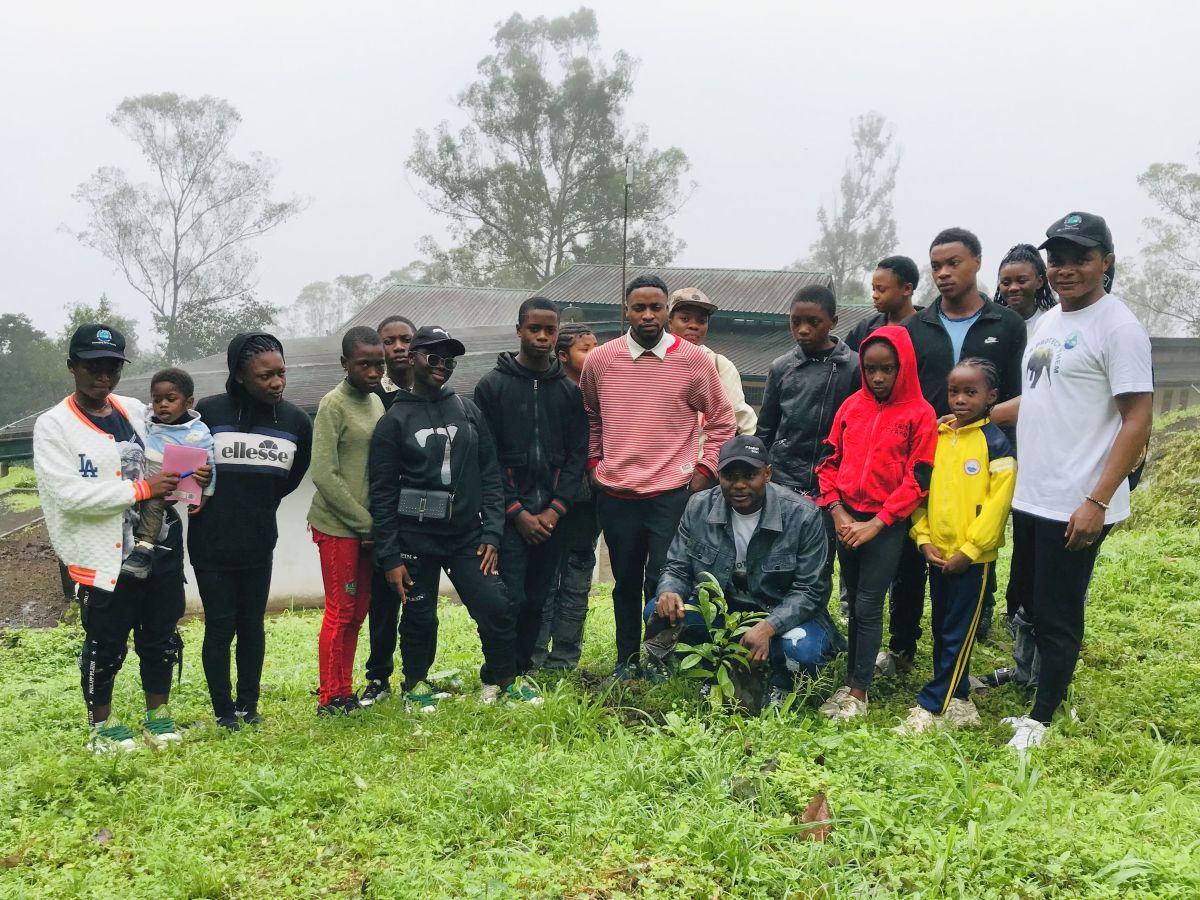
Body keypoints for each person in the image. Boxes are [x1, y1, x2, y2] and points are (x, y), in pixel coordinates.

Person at [989, 212, 1153, 749]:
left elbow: (1136, 419)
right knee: (1026, 599)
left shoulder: (1118, 328)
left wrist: (1097, 500)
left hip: (1077, 498)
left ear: (1106, 261)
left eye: (1080, 257)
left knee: (1058, 608)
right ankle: (1031, 678)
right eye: (1057, 258)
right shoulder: (1051, 323)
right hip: (1033, 492)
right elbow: (1041, 398)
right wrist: (981, 415)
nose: (1066, 269)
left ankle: (1043, 716)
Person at [33, 324, 210, 752]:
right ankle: (103, 727)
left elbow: (172, 448)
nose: (103, 375)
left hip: (161, 544)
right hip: (104, 556)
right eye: (92, 365)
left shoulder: (133, 409)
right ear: (73, 366)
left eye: (111, 366)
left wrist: (194, 476)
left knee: (160, 634)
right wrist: (142, 490)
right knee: (106, 641)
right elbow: (69, 496)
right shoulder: (54, 426)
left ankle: (158, 718)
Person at [368, 325, 541, 708]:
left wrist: (492, 534)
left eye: (449, 360)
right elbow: (381, 494)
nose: (442, 366)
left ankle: (505, 680)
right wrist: (391, 557)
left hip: (467, 536)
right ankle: (415, 685)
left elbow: (491, 474)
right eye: (433, 357)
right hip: (415, 537)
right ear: (412, 358)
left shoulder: (466, 409)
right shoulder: (393, 421)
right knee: (419, 616)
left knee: (496, 606)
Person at [881, 229, 1027, 673]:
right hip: (924, 455)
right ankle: (902, 646)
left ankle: (965, 641)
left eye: (954, 263)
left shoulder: (1007, 325)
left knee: (972, 541)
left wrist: (976, 425)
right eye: (937, 266)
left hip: (980, 455)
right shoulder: (913, 328)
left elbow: (1021, 394)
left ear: (978, 262)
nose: (943, 274)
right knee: (912, 551)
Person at [580, 275, 736, 681]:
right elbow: (591, 417)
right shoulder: (601, 360)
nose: (648, 315)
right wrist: (595, 464)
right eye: (639, 307)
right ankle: (626, 660)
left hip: (672, 493)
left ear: (667, 310)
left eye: (656, 307)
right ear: (625, 311)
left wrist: (704, 472)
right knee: (625, 582)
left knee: (663, 581)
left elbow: (721, 422)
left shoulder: (694, 360)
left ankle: (659, 660)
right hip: (616, 494)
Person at [646, 435, 843, 709]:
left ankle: (781, 680)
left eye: (749, 475)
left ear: (768, 474)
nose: (739, 485)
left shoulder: (803, 516)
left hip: (781, 614)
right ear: (719, 475)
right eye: (729, 475)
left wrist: (769, 627)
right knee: (657, 610)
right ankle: (715, 667)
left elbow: (812, 591)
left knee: (803, 652)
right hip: (724, 613)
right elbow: (678, 566)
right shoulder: (698, 506)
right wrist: (669, 589)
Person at [189, 332, 313, 729]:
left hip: (259, 540)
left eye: (281, 373)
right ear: (240, 376)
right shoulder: (209, 413)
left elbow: (290, 478)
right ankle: (224, 712)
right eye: (265, 376)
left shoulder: (296, 421)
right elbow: (186, 468)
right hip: (211, 542)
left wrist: (258, 502)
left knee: (252, 625)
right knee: (221, 625)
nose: (276, 382)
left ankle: (249, 706)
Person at [815, 326, 936, 720]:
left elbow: (919, 479)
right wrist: (838, 512)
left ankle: (858, 692)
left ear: (903, 368)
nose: (879, 378)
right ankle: (854, 676)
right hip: (846, 517)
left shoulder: (920, 414)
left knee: (868, 604)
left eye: (888, 369)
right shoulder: (851, 407)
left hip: (886, 525)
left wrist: (877, 523)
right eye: (871, 370)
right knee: (852, 602)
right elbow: (829, 462)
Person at [897, 359, 1015, 733]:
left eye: (971, 392)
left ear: (991, 397)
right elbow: (920, 490)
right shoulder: (937, 437)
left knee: (959, 631)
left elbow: (998, 505)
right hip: (938, 553)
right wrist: (924, 538)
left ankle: (933, 706)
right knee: (943, 626)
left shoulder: (996, 444)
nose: (960, 400)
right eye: (954, 392)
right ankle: (958, 698)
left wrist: (971, 550)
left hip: (971, 560)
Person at [474, 297, 588, 674]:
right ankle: (497, 673)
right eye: (534, 329)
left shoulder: (569, 391)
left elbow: (576, 457)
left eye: (549, 330)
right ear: (519, 329)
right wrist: (516, 513)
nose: (541, 336)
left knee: (538, 600)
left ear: (557, 334)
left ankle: (522, 673)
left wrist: (555, 510)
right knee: (508, 600)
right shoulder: (492, 387)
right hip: (510, 519)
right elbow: (485, 458)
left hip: (553, 519)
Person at [755, 284, 859, 610]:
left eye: (813, 322)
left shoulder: (854, 368)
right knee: (780, 555)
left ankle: (818, 626)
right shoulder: (780, 367)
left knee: (823, 559)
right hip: (786, 477)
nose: (802, 329)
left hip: (836, 481)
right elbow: (766, 429)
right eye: (795, 321)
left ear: (833, 321)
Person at [308, 327, 386, 715]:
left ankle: (345, 689)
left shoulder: (376, 403)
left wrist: (375, 524)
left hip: (369, 529)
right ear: (345, 364)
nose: (373, 372)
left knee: (358, 612)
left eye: (379, 364)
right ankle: (329, 696)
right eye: (364, 364)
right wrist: (365, 523)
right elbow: (324, 473)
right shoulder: (332, 405)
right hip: (339, 526)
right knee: (340, 610)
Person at [531, 324, 600, 670]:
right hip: (549, 498)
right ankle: (535, 652)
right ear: (562, 356)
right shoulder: (548, 391)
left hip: (588, 500)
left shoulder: (604, 387)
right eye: (584, 349)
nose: (594, 354)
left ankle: (565, 655)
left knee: (577, 573)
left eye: (595, 347)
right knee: (544, 578)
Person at [361, 314, 417, 706]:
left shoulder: (427, 391)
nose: (398, 347)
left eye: (405, 339)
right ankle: (378, 677)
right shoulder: (368, 397)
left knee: (417, 600)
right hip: (382, 513)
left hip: (421, 514)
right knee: (381, 603)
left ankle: (417, 676)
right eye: (389, 340)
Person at [121, 367, 217, 580]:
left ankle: (143, 551)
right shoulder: (147, 423)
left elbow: (210, 464)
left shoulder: (197, 431)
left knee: (154, 503)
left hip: (171, 487)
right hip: (139, 485)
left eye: (170, 399)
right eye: (157, 399)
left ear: (188, 402)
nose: (162, 404)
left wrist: (206, 494)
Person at [668, 287, 758, 434]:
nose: (694, 326)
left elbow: (743, 420)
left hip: (708, 455)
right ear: (670, 322)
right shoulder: (655, 361)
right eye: (685, 319)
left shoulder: (720, 365)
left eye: (702, 321)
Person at [844, 256, 923, 351]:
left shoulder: (929, 330)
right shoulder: (864, 329)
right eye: (874, 289)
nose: (874, 295)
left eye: (881, 290)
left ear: (907, 289)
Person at [994, 243, 1057, 339]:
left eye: (1021, 281)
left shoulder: (1052, 321)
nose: (1013, 288)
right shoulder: (992, 325)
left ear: (1039, 282)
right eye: (1006, 283)